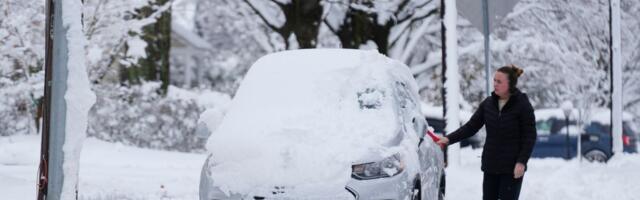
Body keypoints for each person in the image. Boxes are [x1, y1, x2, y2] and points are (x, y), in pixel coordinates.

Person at [437, 64, 537, 200]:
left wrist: (521, 162)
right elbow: (471, 127)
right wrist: (448, 139)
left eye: (499, 81)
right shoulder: (488, 104)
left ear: (510, 84)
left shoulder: (522, 105)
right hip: (491, 166)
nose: (495, 84)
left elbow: (530, 136)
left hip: (512, 168)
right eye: (494, 80)